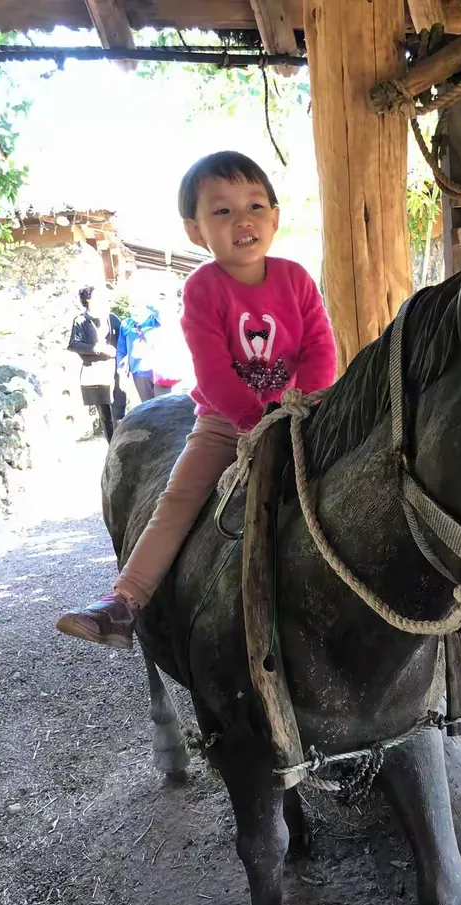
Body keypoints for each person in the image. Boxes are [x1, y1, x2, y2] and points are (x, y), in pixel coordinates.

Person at [56, 150, 338, 649]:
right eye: (222, 210)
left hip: (300, 417)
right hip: (226, 424)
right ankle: (125, 601)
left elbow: (319, 346)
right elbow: (213, 369)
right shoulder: (203, 289)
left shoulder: (295, 279)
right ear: (195, 230)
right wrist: (256, 421)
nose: (242, 220)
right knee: (179, 500)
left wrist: (305, 404)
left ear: (274, 217)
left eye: (254, 205)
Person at [67, 286, 126, 442]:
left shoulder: (112, 318)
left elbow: (123, 339)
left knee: (119, 410)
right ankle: (111, 447)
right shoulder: (80, 321)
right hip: (94, 371)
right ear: (87, 299)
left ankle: (124, 445)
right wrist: (97, 348)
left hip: (114, 369)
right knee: (105, 414)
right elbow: (74, 345)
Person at [116, 301, 160, 402]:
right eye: (132, 305)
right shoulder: (126, 324)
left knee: (164, 408)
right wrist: (121, 374)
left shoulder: (155, 321)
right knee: (147, 409)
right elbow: (121, 350)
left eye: (137, 305)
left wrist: (152, 308)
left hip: (159, 372)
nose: (133, 309)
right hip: (139, 372)